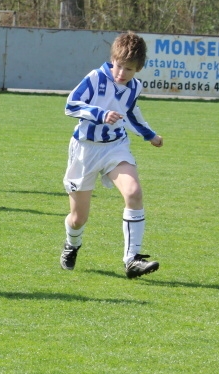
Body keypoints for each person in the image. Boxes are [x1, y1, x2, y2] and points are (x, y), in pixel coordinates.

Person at [60, 31, 164, 279]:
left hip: (115, 147)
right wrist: (100, 114)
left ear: (138, 69)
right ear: (112, 59)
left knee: (134, 192)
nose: (121, 74)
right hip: (85, 150)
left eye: (128, 69)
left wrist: (150, 135)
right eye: (119, 66)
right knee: (78, 218)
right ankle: (71, 245)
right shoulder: (95, 78)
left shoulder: (134, 86)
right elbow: (71, 105)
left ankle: (132, 260)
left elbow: (131, 112)